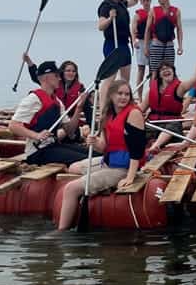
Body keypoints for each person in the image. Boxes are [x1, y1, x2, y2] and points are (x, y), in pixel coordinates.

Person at [56, 79, 147, 230]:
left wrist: (130, 177)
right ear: (111, 95)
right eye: (119, 93)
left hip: (123, 168)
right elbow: (104, 146)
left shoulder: (134, 114)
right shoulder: (108, 115)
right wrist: (93, 140)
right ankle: (100, 185)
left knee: (71, 189)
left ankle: (61, 231)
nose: (123, 97)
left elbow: (137, 150)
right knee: (73, 167)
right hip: (108, 161)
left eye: (127, 94)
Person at [8, 61, 89, 166]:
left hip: (53, 146)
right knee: (87, 159)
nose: (60, 79)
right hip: (38, 151)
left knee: (94, 154)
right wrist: (37, 135)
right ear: (46, 78)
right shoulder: (33, 99)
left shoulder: (57, 102)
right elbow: (13, 126)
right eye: (56, 76)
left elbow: (70, 132)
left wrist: (79, 107)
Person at [143, 55, 196, 151]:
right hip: (153, 124)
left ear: (173, 72)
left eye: (168, 68)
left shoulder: (180, 87)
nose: (166, 70)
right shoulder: (151, 91)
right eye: (163, 69)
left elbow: (193, 80)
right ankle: (150, 143)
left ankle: (156, 145)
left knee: (173, 125)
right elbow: (140, 108)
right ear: (159, 75)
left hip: (171, 126)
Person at [97, 0, 142, 91]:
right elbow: (100, 26)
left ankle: (122, 100)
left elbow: (134, 1)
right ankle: (103, 102)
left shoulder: (122, 4)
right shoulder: (106, 5)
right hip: (112, 44)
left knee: (125, 81)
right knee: (110, 79)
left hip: (124, 44)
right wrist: (110, 18)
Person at [144, 0, 184, 74]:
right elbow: (147, 30)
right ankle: (153, 83)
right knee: (154, 72)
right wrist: (146, 47)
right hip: (156, 44)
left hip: (169, 45)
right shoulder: (153, 10)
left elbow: (179, 29)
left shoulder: (176, 11)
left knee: (169, 71)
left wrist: (180, 46)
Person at [132, 0, 152, 94]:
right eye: (144, 1)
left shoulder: (153, 13)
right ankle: (139, 96)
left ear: (150, 1)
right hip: (141, 42)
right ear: (141, 2)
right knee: (141, 69)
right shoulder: (138, 14)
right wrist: (134, 40)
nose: (146, 3)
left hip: (152, 42)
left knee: (153, 70)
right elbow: (133, 28)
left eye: (148, 0)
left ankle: (151, 94)